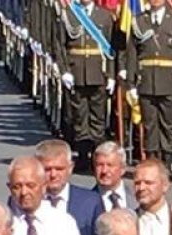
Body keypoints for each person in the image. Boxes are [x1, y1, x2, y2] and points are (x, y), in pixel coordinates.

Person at [123, 0, 172, 178]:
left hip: (169, 81)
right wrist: (130, 83)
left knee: (168, 125)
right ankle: (152, 162)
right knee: (150, 125)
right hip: (146, 81)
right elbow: (132, 55)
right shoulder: (139, 21)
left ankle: (167, 164)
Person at [55, 2, 119, 170]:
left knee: (98, 117)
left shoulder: (104, 16)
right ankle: (83, 156)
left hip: (98, 71)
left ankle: (97, 156)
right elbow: (60, 44)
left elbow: (111, 49)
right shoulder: (68, 14)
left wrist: (111, 75)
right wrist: (64, 70)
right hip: (76, 71)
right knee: (79, 116)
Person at [36, 140, 105, 235]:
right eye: (47, 169)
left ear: (70, 167)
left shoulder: (91, 202)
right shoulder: (27, 201)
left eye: (59, 169)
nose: (53, 175)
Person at [134, 158, 172, 235]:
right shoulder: (129, 221)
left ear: (165, 186)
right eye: (137, 183)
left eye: (148, 182)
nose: (141, 188)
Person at [90, 142, 132, 210]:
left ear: (123, 169)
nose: (104, 171)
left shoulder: (136, 197)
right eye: (99, 165)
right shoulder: (86, 202)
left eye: (110, 165)